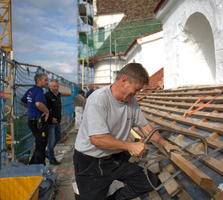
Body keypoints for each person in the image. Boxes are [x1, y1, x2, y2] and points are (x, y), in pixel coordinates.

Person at [73, 63, 181, 200]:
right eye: (136, 89)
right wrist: (131, 146)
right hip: (91, 164)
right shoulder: (99, 99)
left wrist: (164, 144)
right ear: (123, 81)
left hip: (116, 158)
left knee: (148, 183)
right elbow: (97, 139)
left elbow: (145, 126)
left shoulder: (131, 101)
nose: (137, 93)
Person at [21, 73, 49, 165]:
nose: (47, 82)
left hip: (32, 121)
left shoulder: (30, 91)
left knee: (39, 144)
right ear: (39, 81)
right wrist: (47, 111)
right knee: (41, 144)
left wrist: (30, 107)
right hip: (38, 121)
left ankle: (33, 164)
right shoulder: (39, 91)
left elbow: (23, 101)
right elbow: (38, 104)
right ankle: (38, 165)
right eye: (45, 80)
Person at [45, 79, 62, 165]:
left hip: (58, 121)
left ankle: (48, 152)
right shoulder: (47, 96)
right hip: (51, 122)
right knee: (51, 141)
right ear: (50, 87)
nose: (56, 88)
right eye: (54, 86)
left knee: (59, 137)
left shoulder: (58, 95)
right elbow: (45, 109)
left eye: (57, 86)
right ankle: (51, 159)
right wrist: (51, 119)